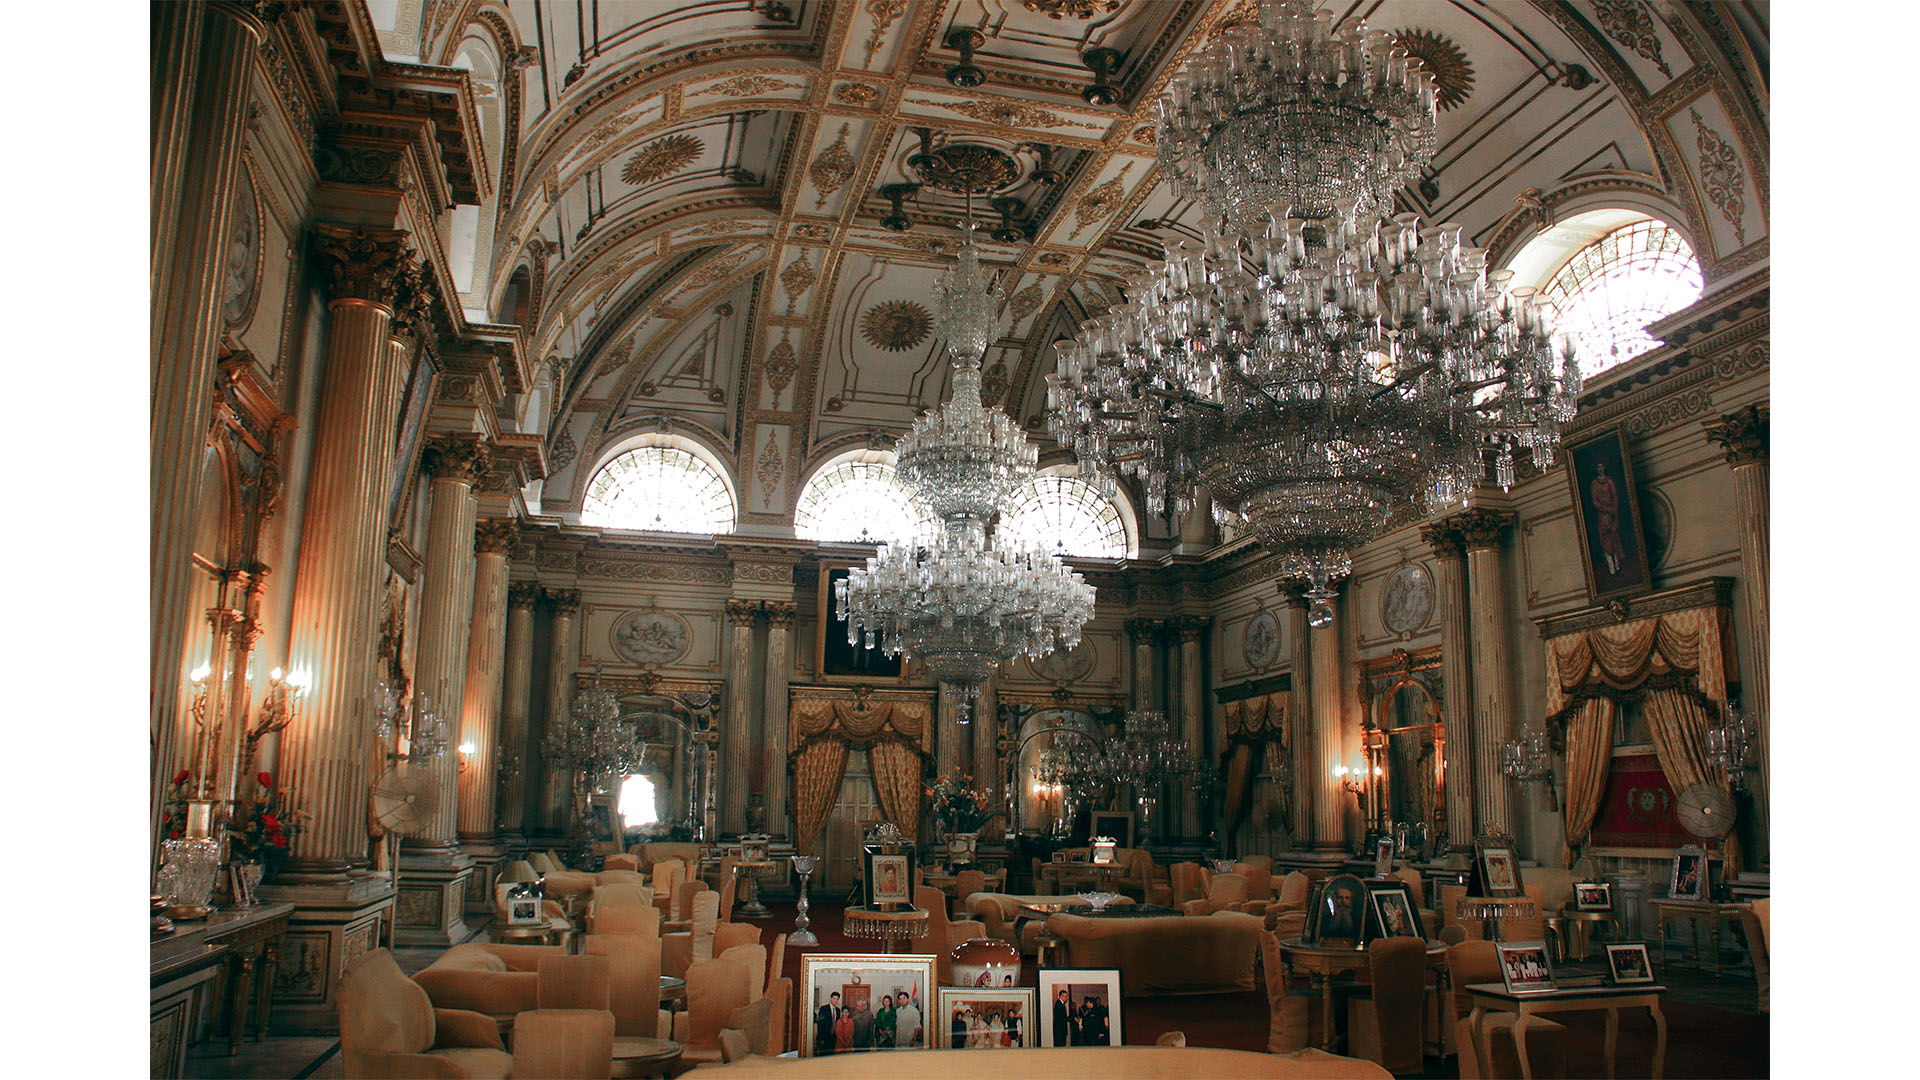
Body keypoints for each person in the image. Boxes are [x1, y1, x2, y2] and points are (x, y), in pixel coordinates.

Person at [1590, 460, 1626, 576]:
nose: (1600, 469)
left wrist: (1613, 509)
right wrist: (1604, 509)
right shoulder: (1594, 484)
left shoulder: (1609, 481)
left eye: (1602, 467)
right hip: (1603, 515)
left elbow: (1615, 496)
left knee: (1614, 539)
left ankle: (1617, 566)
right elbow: (1595, 501)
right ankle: (1611, 569)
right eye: (1598, 467)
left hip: (1612, 514)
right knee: (1606, 541)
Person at [814, 991, 842, 1057]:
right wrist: (821, 1038)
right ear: (830, 999)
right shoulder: (823, 1009)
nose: (835, 1001)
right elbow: (820, 1024)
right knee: (823, 1056)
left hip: (833, 1037)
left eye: (837, 999)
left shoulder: (838, 1010)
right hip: (824, 1037)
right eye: (834, 998)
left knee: (831, 1056)